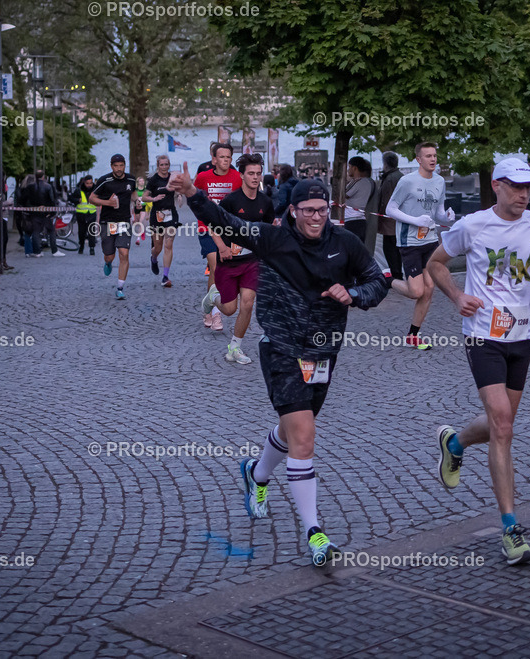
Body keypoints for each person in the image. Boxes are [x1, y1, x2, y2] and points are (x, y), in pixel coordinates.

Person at [171, 168, 389, 566]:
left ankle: (257, 473)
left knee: (292, 433)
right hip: (282, 348)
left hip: (324, 351)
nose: (315, 217)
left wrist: (354, 293)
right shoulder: (273, 239)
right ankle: (315, 534)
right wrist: (193, 195)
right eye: (307, 210)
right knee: (304, 435)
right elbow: (229, 224)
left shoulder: (345, 243)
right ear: (292, 211)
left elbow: (377, 281)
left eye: (321, 210)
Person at [427, 157, 530, 565]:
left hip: (524, 335)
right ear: (497, 185)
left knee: (501, 424)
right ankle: (510, 528)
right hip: (483, 335)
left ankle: (454, 443)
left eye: (529, 189)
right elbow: (434, 263)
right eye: (517, 187)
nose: (524, 195)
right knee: (503, 423)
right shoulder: (472, 225)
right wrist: (456, 296)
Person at [201, 153, 275, 364]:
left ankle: (235, 347)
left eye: (258, 174)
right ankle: (212, 298)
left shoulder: (265, 202)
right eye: (250, 173)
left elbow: (268, 229)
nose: (255, 177)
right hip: (229, 262)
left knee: (248, 303)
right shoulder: (231, 200)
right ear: (241, 175)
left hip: (252, 261)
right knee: (229, 308)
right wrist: (222, 247)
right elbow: (212, 224)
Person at [385, 142, 454, 349]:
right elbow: (390, 209)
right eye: (428, 156)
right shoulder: (407, 181)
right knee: (416, 291)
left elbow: (438, 212)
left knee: (429, 288)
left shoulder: (440, 181)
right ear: (418, 159)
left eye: (434, 155)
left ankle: (413, 335)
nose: (433, 159)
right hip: (410, 242)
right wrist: (415, 221)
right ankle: (387, 279)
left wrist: (446, 216)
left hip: (431, 240)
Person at [193, 143, 242, 330]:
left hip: (228, 230)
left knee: (220, 269)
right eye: (222, 157)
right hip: (206, 228)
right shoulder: (203, 177)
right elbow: (195, 196)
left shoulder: (237, 177)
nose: (225, 160)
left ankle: (208, 304)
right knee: (215, 266)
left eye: (228, 157)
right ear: (214, 159)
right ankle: (216, 314)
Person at [90, 154, 139, 300]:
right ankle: (108, 262)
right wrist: (107, 203)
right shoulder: (105, 180)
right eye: (116, 166)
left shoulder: (131, 179)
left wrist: (137, 201)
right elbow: (92, 198)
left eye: (121, 165)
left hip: (124, 222)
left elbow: (133, 193)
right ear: (111, 166)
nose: (119, 169)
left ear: (125, 165)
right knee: (109, 255)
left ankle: (120, 287)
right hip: (107, 222)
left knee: (124, 253)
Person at [145, 156, 182, 287]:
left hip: (171, 214)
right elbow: (144, 197)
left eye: (166, 164)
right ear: (158, 166)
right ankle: (154, 258)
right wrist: (154, 199)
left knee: (169, 244)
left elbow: (179, 188)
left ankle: (165, 277)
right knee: (158, 247)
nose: (164, 167)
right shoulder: (153, 180)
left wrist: (180, 195)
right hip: (157, 215)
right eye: (162, 165)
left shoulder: (172, 177)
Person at [377, 152, 404, 280]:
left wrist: (380, 217)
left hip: (390, 221)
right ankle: (397, 273)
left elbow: (385, 201)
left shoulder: (389, 179)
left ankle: (395, 275)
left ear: (385, 164)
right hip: (399, 219)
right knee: (396, 249)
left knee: (390, 249)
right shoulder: (400, 176)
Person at [26, 170, 64, 258]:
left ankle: (37, 251)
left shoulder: (30, 186)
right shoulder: (48, 186)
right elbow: (52, 200)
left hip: (35, 212)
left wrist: (32, 208)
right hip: (46, 213)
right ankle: (54, 250)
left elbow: (26, 199)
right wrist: (52, 212)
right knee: (51, 231)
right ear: (43, 177)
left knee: (36, 232)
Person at [337, 156, 374, 241]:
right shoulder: (360, 181)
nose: (348, 170)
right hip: (355, 220)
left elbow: (343, 195)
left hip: (354, 220)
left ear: (354, 168)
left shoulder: (360, 182)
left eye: (349, 167)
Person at [71, 174, 97, 255]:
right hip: (81, 214)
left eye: (91, 183)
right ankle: (81, 246)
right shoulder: (78, 190)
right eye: (87, 183)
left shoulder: (96, 190)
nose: (89, 185)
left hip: (91, 213)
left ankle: (92, 248)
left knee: (91, 231)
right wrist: (77, 200)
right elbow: (71, 198)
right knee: (81, 232)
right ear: (84, 183)